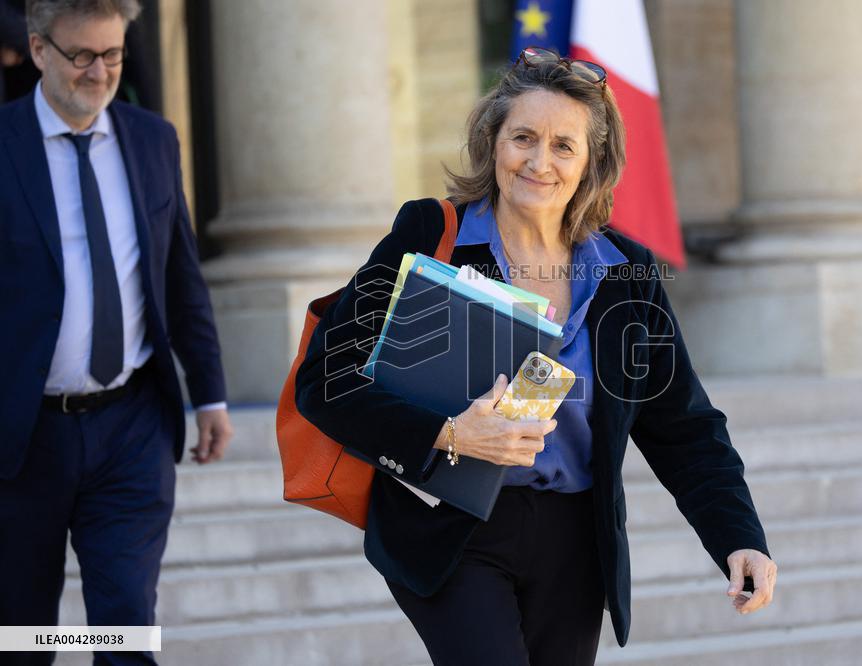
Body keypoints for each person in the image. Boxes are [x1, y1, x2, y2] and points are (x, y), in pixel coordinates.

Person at [296, 46, 776, 666]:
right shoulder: (431, 236)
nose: (539, 161)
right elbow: (326, 378)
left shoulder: (625, 273)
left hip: (575, 543)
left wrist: (739, 536)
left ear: (592, 164)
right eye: (523, 137)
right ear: (492, 142)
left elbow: (683, 424)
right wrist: (448, 433)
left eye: (563, 146)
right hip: (451, 527)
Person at [0, 1, 232, 664]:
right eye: (81, 56)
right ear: (39, 50)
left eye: (113, 55)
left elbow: (181, 275)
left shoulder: (153, 139)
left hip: (131, 426)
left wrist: (210, 394)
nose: (99, 72)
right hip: (23, 438)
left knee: (126, 624)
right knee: (19, 637)